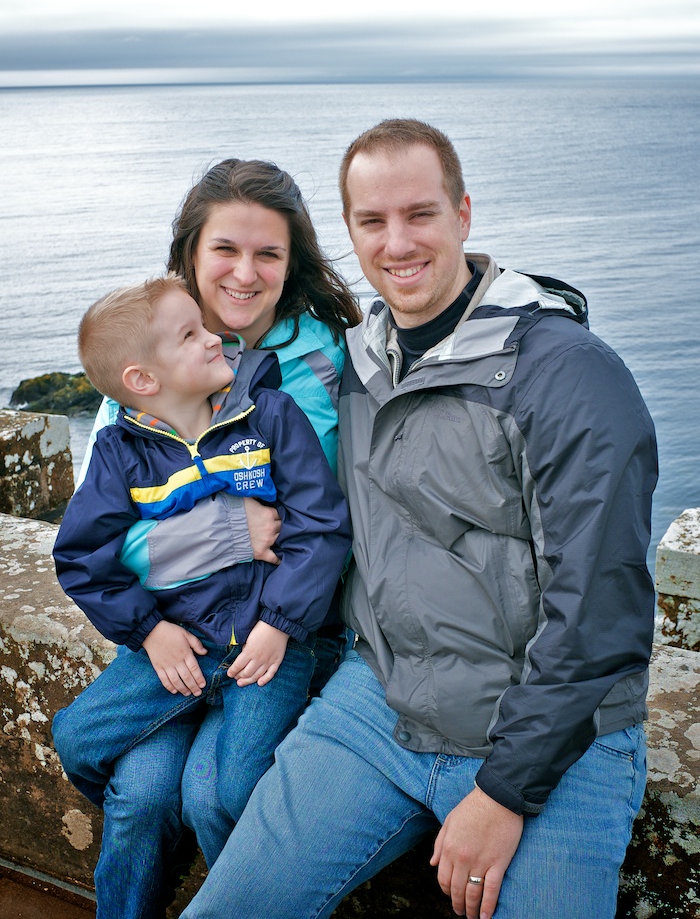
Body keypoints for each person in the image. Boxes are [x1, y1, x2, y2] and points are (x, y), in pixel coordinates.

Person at [180, 119, 658, 919]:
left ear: (463, 214)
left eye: (420, 214)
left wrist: (505, 791)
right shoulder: (359, 363)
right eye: (372, 222)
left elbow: (602, 611)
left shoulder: (568, 374)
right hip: (383, 702)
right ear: (350, 235)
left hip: (555, 733)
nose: (397, 243)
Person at [51, 158, 361, 919]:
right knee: (138, 794)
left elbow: (318, 520)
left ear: (294, 264)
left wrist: (270, 597)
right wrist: (226, 530)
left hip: (273, 630)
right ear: (191, 254)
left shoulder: (322, 364)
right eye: (225, 249)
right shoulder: (141, 375)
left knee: (210, 792)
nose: (245, 274)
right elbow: (99, 539)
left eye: (269, 254)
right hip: (174, 634)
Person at [53, 272, 350, 817]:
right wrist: (149, 631)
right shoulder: (119, 452)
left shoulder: (272, 415)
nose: (213, 336)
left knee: (234, 790)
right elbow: (81, 559)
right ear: (142, 379)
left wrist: (280, 625)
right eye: (190, 335)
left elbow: (321, 526)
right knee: (75, 740)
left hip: (268, 645)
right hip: (180, 643)